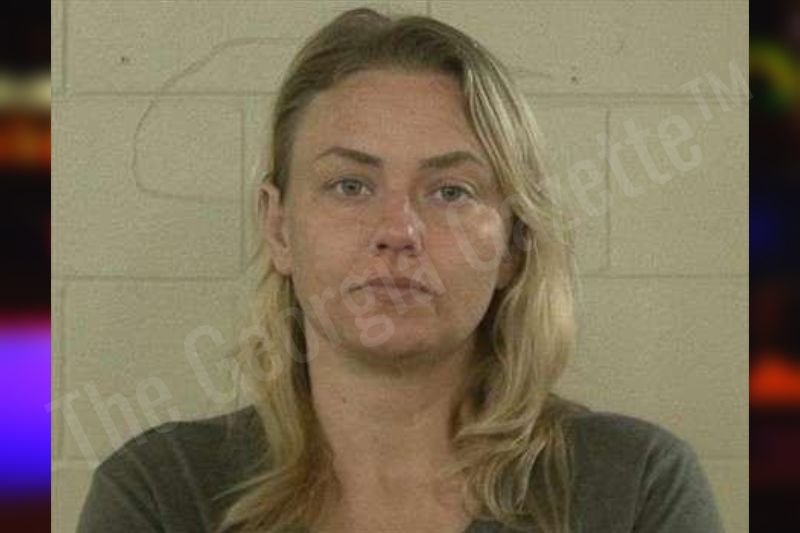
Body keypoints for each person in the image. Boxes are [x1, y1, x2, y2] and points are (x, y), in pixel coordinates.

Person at [76, 7, 726, 533]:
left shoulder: (633, 488)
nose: (399, 231)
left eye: (451, 191)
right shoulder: (163, 494)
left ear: (513, 244)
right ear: (278, 228)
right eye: (350, 185)